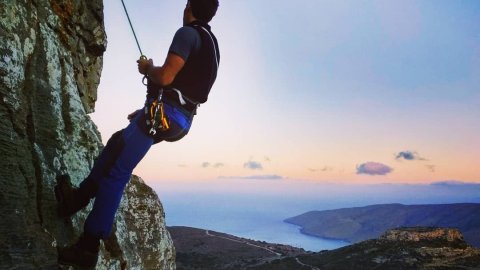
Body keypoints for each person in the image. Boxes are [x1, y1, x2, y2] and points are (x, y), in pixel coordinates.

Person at [56, 0, 220, 267]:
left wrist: (148, 69)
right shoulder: (212, 45)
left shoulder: (187, 34)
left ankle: (87, 247)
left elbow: (166, 77)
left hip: (163, 115)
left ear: (189, 6)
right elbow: (187, 88)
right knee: (116, 144)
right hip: (178, 119)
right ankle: (76, 199)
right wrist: (146, 110)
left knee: (116, 173)